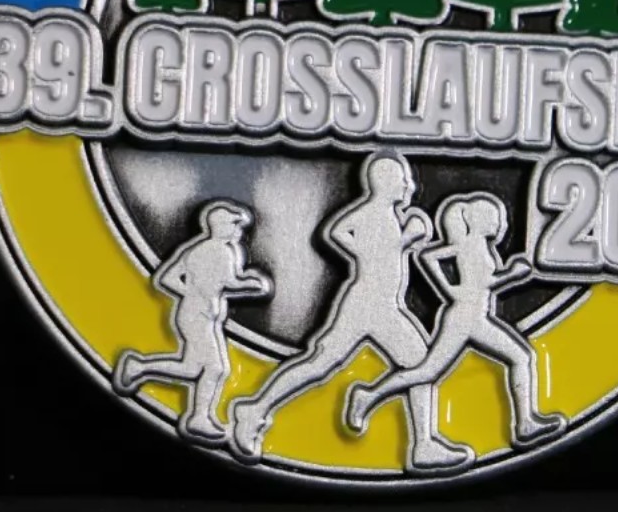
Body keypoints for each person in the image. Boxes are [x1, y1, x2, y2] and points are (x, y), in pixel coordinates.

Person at [230, 152, 474, 472]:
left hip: (383, 305)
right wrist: (404, 239)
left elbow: (350, 237)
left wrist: (404, 239)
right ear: (385, 182)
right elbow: (337, 233)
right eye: (402, 180)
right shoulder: (372, 213)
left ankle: (423, 445)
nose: (410, 185)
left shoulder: (386, 215)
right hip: (367, 303)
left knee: (419, 364)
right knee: (323, 364)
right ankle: (254, 410)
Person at [345, 193, 566, 453]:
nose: (499, 222)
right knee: (428, 372)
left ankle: (525, 423)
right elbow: (442, 263)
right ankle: (368, 396)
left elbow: (452, 268)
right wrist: (507, 276)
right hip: (464, 319)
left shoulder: (477, 246)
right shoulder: (470, 245)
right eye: (492, 216)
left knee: (518, 357)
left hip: (475, 317)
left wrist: (463, 287)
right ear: (477, 220)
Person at [113, 200, 271, 442]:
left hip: (193, 313)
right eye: (234, 224)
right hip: (199, 317)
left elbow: (167, 278)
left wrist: (191, 293)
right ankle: (199, 417)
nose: (238, 229)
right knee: (217, 369)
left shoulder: (198, 248)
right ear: (221, 226)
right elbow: (230, 284)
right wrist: (251, 285)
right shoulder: (221, 251)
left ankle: (138, 368)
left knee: (192, 368)